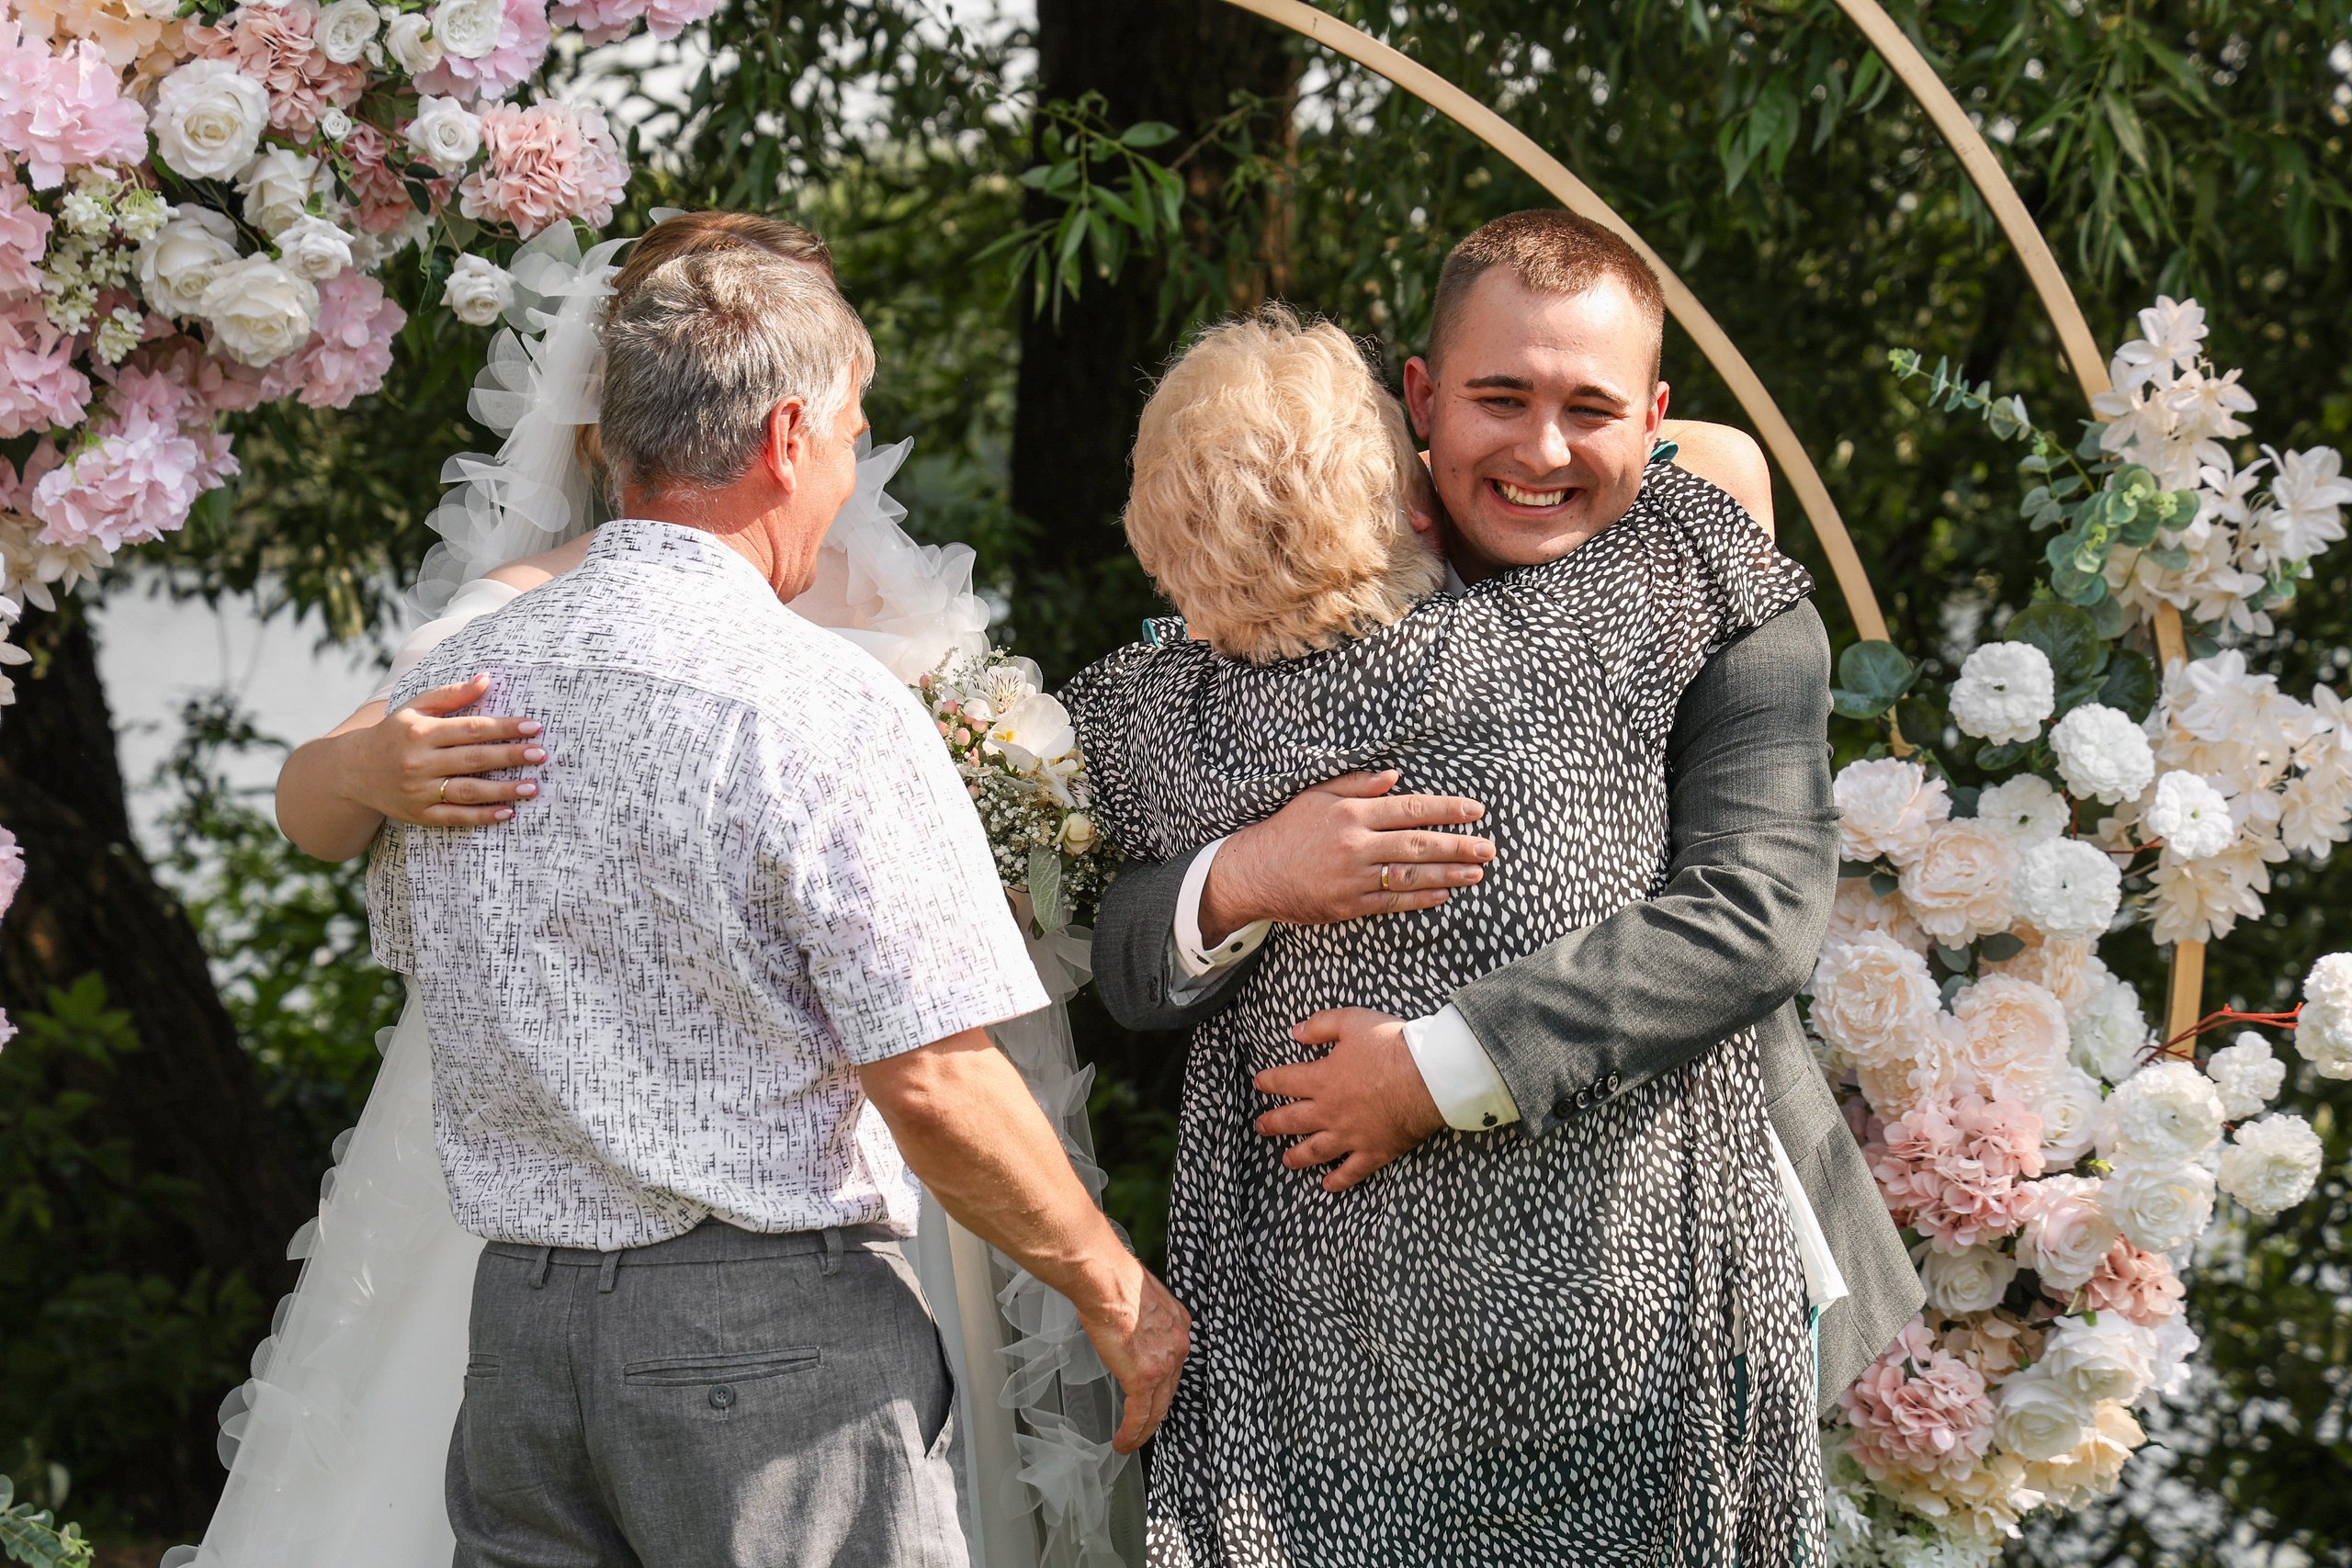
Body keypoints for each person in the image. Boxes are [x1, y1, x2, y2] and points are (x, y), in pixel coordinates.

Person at [373, 243, 1184, 1565]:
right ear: (789, 435)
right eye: (854, 435)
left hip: (519, 1343)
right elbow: (931, 1078)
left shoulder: (463, 681)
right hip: (765, 1353)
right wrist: (1112, 1285)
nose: (853, 475)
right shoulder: (812, 700)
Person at [1089, 209, 1920, 1420]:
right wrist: (1249, 876)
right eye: (1500, 399)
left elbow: (1760, 914)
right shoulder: (1279, 583)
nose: (1542, 451)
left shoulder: (1712, 587)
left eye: (1590, 409)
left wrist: (1428, 1073)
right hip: (1354, 1341)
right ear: (1420, 398)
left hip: (1693, 1289)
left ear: (1650, 414)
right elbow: (1120, 962)